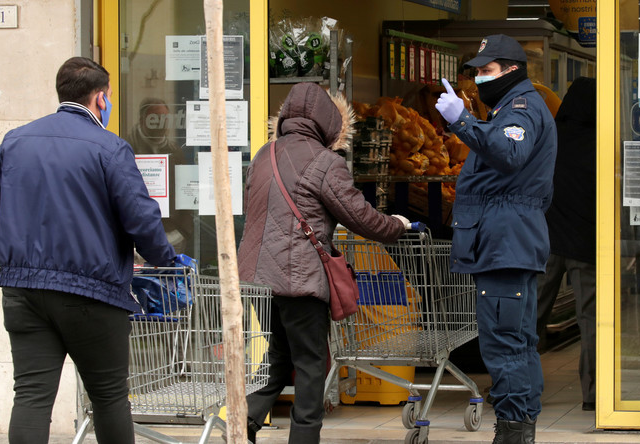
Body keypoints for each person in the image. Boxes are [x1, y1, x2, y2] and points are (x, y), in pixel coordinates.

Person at [0, 57, 176, 444]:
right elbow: (141, 219)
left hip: (23, 290)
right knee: (108, 397)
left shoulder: (16, 141)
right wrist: (164, 259)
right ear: (101, 98)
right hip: (93, 292)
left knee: (31, 396)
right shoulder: (109, 148)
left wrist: (14, 242)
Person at [238, 82, 411, 444]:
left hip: (257, 278)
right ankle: (303, 439)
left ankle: (243, 425)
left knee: (279, 356)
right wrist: (398, 225)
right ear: (326, 122)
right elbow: (360, 217)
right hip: (299, 281)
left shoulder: (263, 155)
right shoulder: (324, 162)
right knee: (312, 364)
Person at [435, 34, 557, 444]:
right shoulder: (512, 106)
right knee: (517, 343)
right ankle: (518, 429)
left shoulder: (521, 108)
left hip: (505, 244)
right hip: (507, 241)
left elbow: (508, 153)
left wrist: (462, 120)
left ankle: (513, 433)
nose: (479, 79)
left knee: (506, 346)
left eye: (487, 71)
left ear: (512, 70)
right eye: (477, 72)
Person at [535, 76, 597, 411]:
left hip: (547, 243)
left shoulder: (549, 139)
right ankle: (594, 395)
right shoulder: (600, 143)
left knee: (530, 318)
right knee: (591, 321)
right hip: (587, 244)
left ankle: (516, 389)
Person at [126, 97, 192, 255]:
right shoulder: (127, 147)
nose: (161, 123)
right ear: (144, 120)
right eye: (156, 118)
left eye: (164, 118)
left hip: (173, 234)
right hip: (137, 235)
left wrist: (183, 231)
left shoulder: (174, 150)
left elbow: (183, 191)